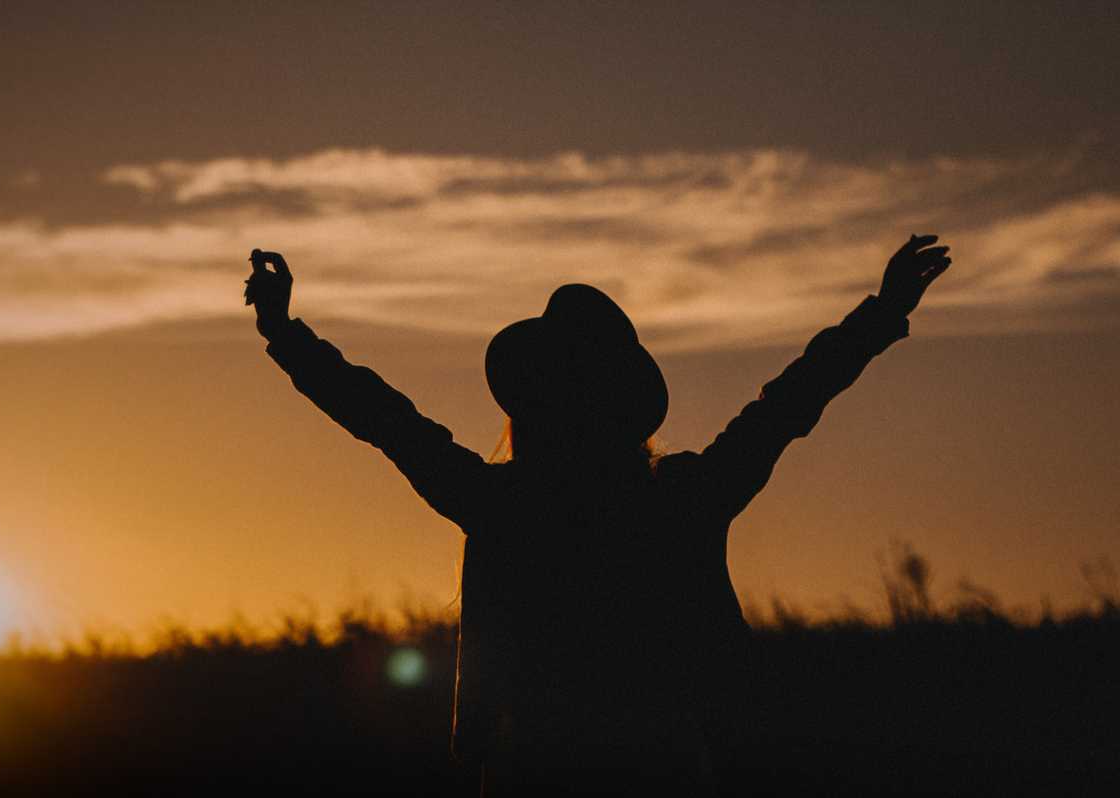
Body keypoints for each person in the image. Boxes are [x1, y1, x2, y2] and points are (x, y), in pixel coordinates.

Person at [244, 237, 953, 795]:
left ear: (532, 407)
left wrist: (285, 333)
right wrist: (882, 315)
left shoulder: (504, 504)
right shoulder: (681, 499)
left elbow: (385, 419)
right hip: (664, 770)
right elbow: (787, 406)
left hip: (534, 773)